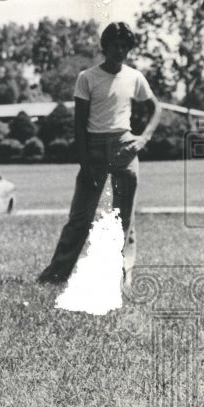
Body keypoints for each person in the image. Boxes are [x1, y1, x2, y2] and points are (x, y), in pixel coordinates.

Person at [37, 21, 162, 289]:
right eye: (115, 44)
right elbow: (79, 126)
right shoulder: (87, 78)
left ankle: (120, 278)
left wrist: (142, 140)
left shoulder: (134, 77)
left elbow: (156, 108)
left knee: (124, 218)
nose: (120, 50)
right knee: (80, 218)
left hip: (124, 147)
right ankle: (56, 274)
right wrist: (85, 163)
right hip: (93, 149)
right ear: (104, 47)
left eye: (125, 45)